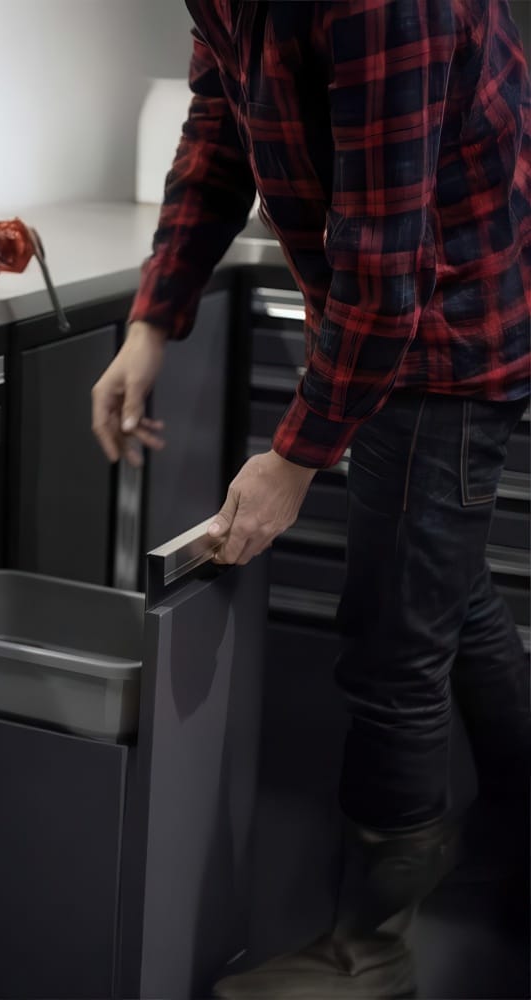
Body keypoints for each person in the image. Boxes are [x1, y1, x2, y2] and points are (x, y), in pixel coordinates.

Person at [91, 0, 531, 996]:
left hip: (445, 334)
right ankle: (519, 831)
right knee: (448, 595)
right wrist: (151, 322)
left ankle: (364, 954)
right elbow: (217, 131)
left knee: (394, 643)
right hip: (392, 310)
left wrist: (291, 457)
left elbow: (385, 269)